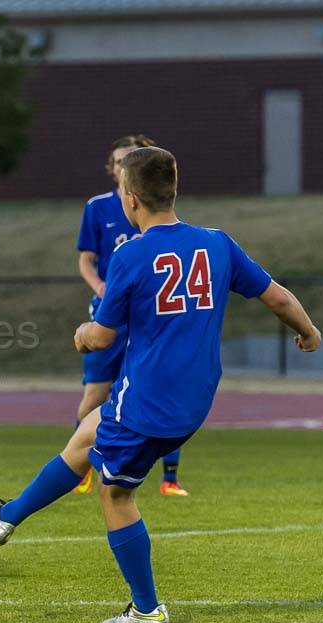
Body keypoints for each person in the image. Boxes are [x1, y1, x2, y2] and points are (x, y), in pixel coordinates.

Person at [0, 146, 320, 623]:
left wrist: (80, 334)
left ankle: (145, 607)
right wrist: (309, 331)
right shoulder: (217, 243)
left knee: (115, 495)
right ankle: (7, 515)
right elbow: (278, 297)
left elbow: (101, 336)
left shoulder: (131, 254)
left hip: (148, 401)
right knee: (87, 433)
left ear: (130, 198)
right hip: (194, 397)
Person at [73, 134, 187, 497]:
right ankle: (81, 465)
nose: (124, 167)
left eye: (131, 161)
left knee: (160, 390)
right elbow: (86, 259)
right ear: (113, 168)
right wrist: (100, 288)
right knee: (96, 394)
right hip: (109, 312)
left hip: (147, 316)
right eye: (120, 161)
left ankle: (170, 477)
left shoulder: (158, 213)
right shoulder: (98, 207)